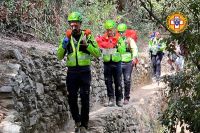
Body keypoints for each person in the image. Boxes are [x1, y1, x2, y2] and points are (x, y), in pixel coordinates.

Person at [57, 12, 101, 133]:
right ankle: (77, 122)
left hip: (84, 71)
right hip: (72, 72)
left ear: (80, 24)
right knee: (72, 98)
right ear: (69, 25)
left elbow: (97, 53)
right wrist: (65, 43)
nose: (74, 26)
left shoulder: (88, 36)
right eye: (72, 24)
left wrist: (87, 46)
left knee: (85, 97)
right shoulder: (67, 37)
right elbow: (59, 56)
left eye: (76, 24)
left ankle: (84, 125)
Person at [96, 20, 126, 107]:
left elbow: (123, 50)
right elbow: (99, 47)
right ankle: (111, 99)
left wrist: (117, 45)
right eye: (108, 30)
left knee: (118, 82)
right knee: (108, 82)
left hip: (117, 63)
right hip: (107, 63)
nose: (109, 32)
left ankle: (119, 99)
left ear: (114, 29)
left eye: (111, 30)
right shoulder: (103, 38)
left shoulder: (118, 38)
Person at [117, 23, 138, 105]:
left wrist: (134, 57)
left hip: (128, 63)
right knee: (118, 81)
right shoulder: (117, 41)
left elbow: (135, 49)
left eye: (123, 32)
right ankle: (119, 97)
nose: (121, 33)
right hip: (119, 63)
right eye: (120, 32)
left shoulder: (129, 40)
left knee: (127, 80)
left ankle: (126, 98)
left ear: (125, 32)